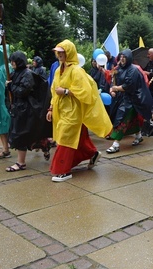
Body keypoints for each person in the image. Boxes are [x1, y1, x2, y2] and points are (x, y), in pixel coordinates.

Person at [46, 40, 112, 182]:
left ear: (69, 52)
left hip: (73, 112)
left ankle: (62, 170)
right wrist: (51, 108)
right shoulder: (58, 70)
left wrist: (66, 91)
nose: (59, 55)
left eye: (62, 52)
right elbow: (53, 91)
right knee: (77, 138)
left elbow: (86, 92)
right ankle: (92, 153)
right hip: (61, 111)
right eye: (58, 52)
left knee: (65, 139)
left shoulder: (76, 71)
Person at [5, 51, 52, 171]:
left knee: (21, 134)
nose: (12, 63)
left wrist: (11, 87)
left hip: (25, 110)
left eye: (14, 61)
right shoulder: (15, 73)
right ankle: (45, 145)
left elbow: (23, 91)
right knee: (25, 134)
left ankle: (21, 163)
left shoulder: (27, 74)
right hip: (18, 109)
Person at [106, 49, 153, 153]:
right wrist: (111, 89)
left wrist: (116, 88)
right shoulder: (118, 69)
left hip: (133, 99)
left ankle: (116, 144)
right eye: (121, 57)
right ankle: (138, 135)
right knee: (132, 118)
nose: (122, 59)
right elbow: (112, 81)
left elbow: (129, 86)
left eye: (124, 57)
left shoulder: (133, 70)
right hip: (121, 98)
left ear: (129, 58)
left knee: (122, 119)